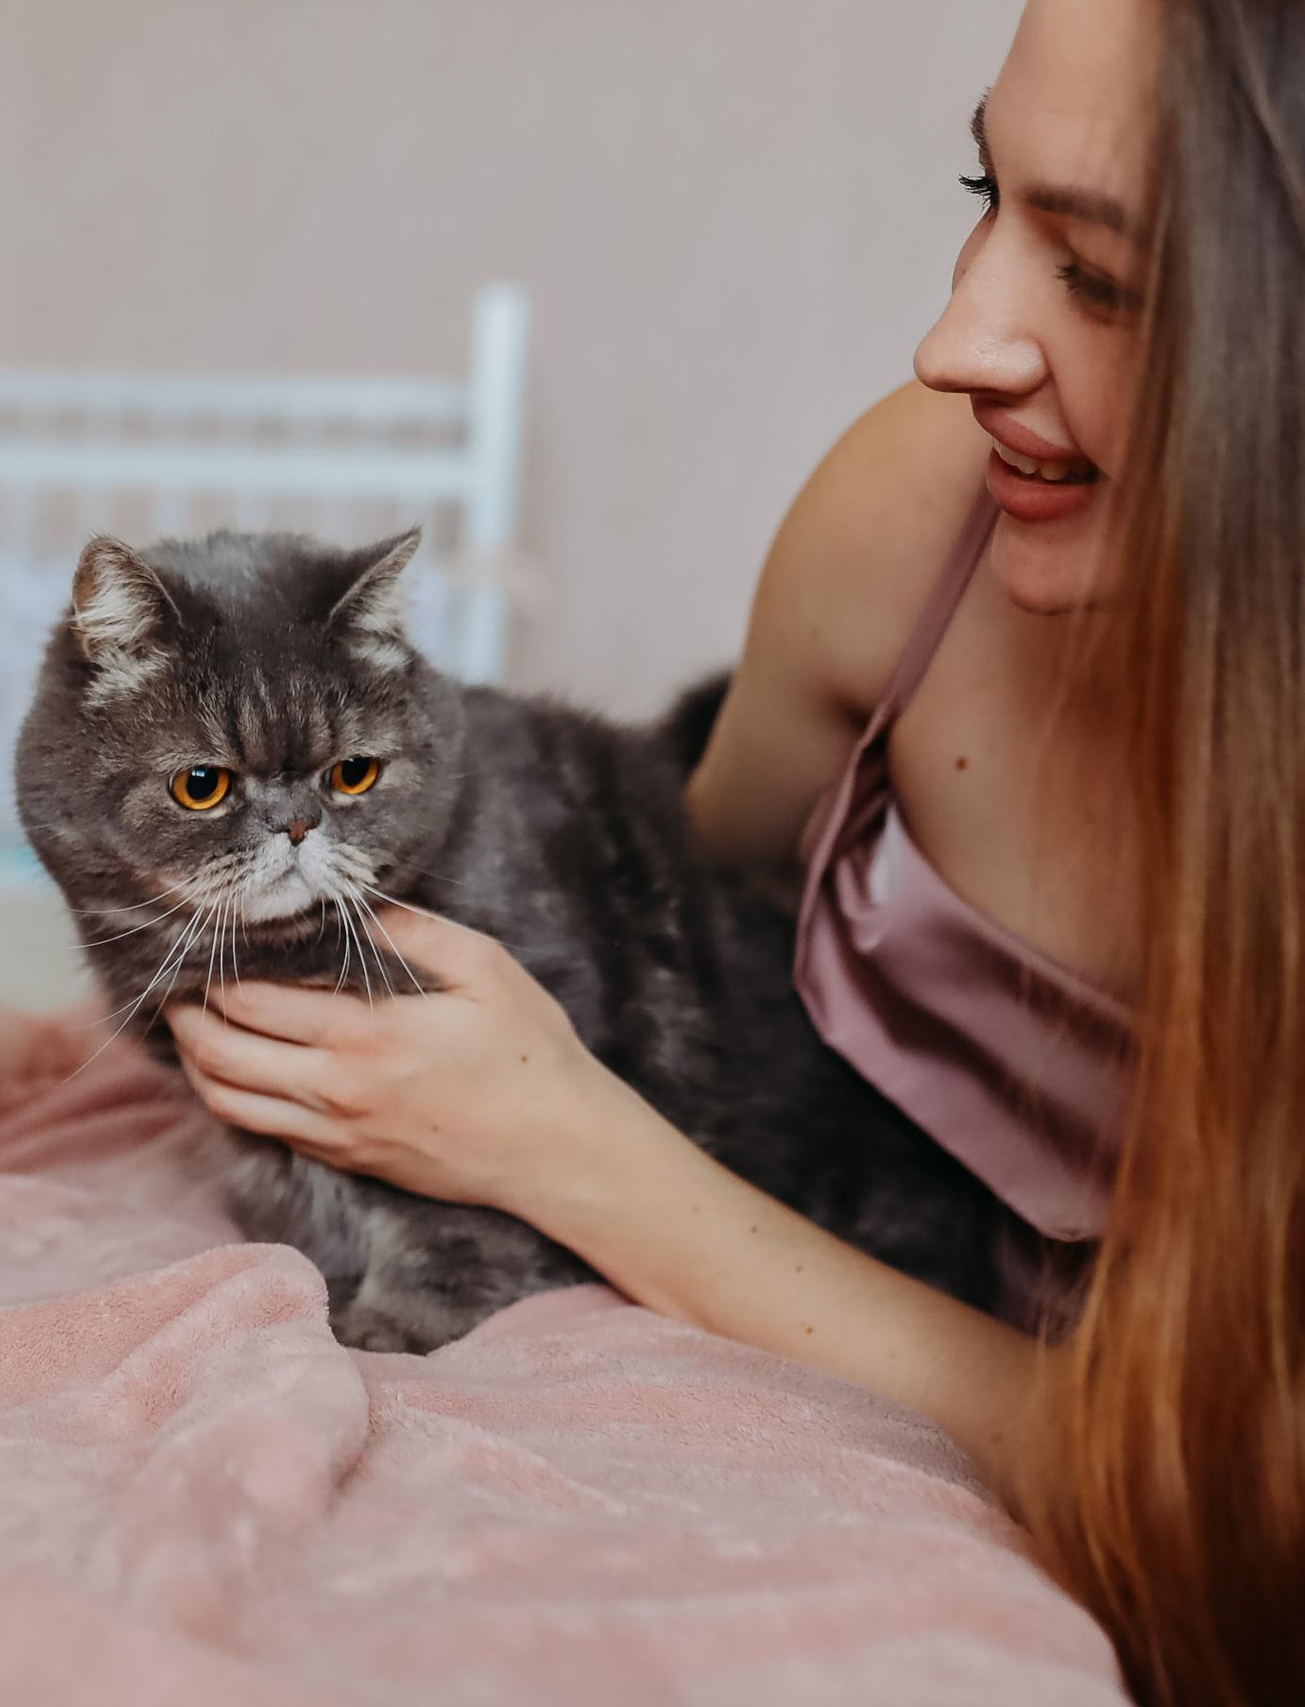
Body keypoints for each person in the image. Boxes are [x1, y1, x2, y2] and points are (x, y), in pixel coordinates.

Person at [155, 1, 1305, 1696]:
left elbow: (1228, 1516)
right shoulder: (919, 514)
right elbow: (679, 916)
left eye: (1104, 277)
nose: (954, 340)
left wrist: (572, 1150)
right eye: (987, 194)